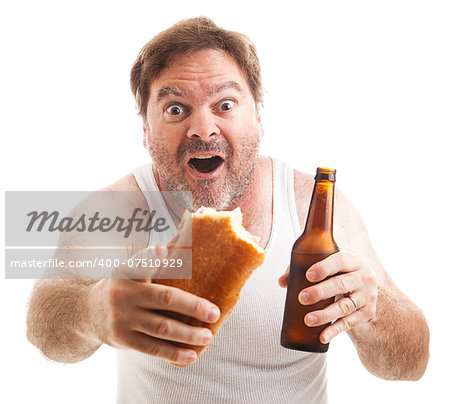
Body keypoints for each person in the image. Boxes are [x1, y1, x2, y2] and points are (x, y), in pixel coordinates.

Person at [26, 17, 429, 403]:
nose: (203, 129)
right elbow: (44, 325)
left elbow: (411, 366)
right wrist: (91, 312)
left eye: (225, 103)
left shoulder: (314, 208)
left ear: (257, 119)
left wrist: (371, 313)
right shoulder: (118, 209)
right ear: (145, 133)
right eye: (175, 109)